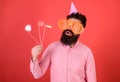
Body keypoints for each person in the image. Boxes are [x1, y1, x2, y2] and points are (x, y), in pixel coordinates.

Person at [30, 12, 97, 82]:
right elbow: (37, 74)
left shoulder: (86, 52)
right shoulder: (52, 47)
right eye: (68, 24)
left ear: (80, 30)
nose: (69, 27)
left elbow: (92, 79)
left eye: (75, 26)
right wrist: (34, 58)